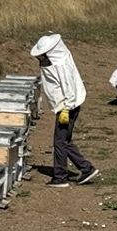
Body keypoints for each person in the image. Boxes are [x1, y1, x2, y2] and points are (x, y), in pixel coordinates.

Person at [31, 33, 100, 187]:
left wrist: (66, 109)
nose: (41, 59)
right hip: (67, 106)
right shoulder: (59, 60)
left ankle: (61, 177)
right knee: (64, 141)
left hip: (68, 106)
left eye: (43, 56)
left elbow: (68, 88)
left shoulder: (60, 64)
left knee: (60, 142)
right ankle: (86, 169)